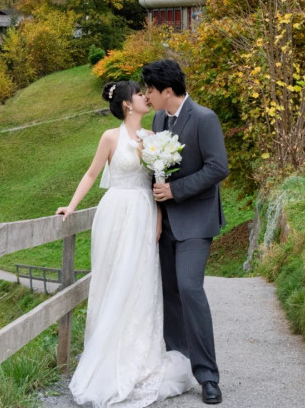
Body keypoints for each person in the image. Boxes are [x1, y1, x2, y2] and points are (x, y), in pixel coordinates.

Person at [56, 79, 194, 408]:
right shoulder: (110, 137)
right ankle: (106, 354)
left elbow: (157, 181)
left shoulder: (153, 137)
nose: (146, 96)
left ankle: (139, 357)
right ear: (127, 104)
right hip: (115, 212)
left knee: (141, 282)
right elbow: (91, 174)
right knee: (113, 279)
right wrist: (71, 206)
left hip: (143, 213)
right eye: (139, 94)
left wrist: (158, 218)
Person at [142, 58, 229, 406]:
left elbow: (218, 167)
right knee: (170, 293)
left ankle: (208, 376)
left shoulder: (205, 118)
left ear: (167, 90)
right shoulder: (158, 119)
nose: (147, 95)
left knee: (190, 289)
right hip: (165, 223)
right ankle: (178, 366)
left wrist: (175, 190)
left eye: (150, 90)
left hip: (196, 219)